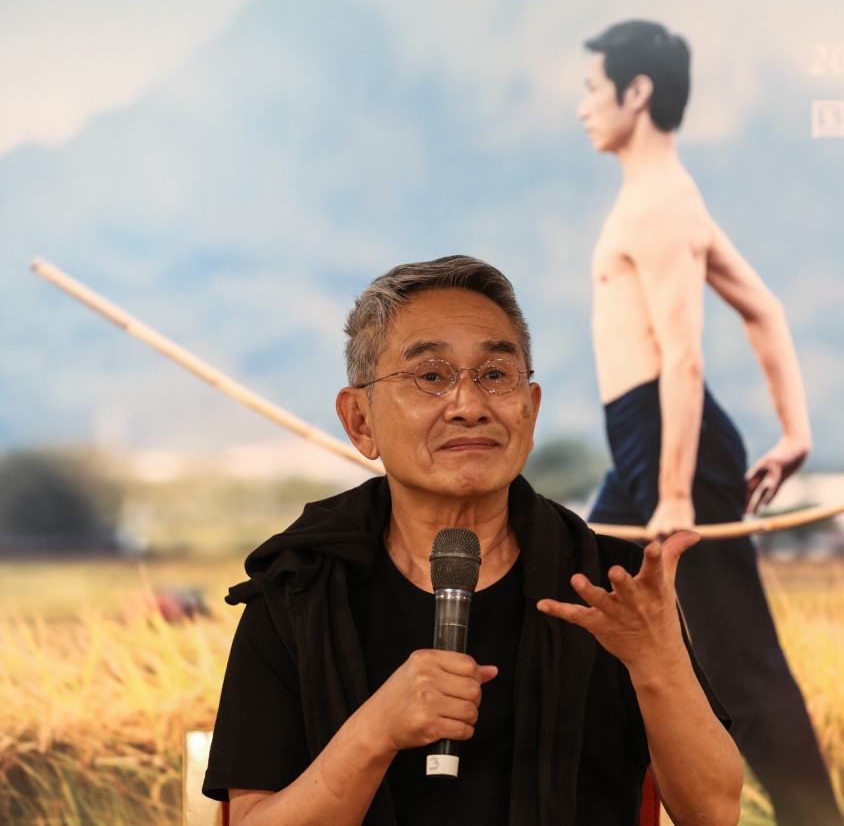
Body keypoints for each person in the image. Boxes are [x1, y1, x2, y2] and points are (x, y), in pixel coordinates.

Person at [201, 255, 742, 825]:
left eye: (495, 375)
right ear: (360, 420)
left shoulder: (612, 584)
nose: (469, 406)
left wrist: (657, 664)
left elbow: (713, 814)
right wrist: (375, 730)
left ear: (529, 411)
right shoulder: (298, 587)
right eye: (431, 376)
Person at [578, 21, 844, 825]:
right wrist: (794, 432)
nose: (582, 106)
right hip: (645, 447)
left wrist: (672, 494)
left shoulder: (658, 207)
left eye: (592, 89)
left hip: (672, 448)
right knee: (576, 618)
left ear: (636, 93)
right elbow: (764, 308)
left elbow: (683, 357)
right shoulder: (664, 196)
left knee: (740, 665)